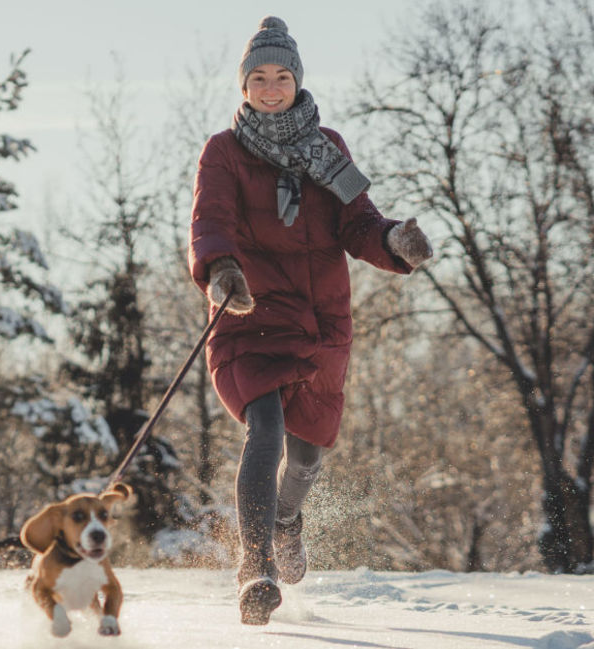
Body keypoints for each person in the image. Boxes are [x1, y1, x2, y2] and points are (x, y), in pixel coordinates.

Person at [188, 16, 433, 625]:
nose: (271, 88)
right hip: (248, 310)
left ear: (297, 81)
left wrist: (393, 241)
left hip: (321, 321)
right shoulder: (223, 151)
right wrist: (221, 270)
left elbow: (358, 223)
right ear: (243, 86)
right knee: (263, 429)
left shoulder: (329, 148)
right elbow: (210, 219)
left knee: (305, 455)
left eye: (282, 76)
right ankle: (256, 565)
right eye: (260, 78)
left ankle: (288, 518)